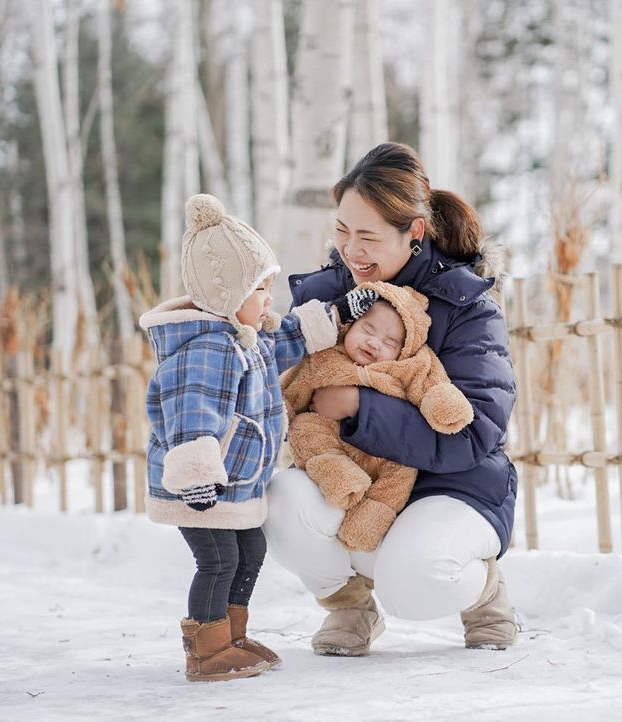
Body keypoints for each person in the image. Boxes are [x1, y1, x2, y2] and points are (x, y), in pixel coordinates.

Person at [264, 142, 517, 655]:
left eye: (368, 236)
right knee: (279, 502)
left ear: (414, 233)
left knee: (413, 586)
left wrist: (360, 406)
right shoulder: (325, 295)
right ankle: (351, 605)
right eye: (341, 231)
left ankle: (483, 590)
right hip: (355, 473)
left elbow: (475, 433)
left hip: (451, 485)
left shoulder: (467, 305)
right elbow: (279, 384)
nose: (351, 250)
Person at [139, 193, 377, 682]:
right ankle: (206, 651)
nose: (269, 299)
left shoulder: (245, 339)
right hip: (202, 487)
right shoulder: (206, 348)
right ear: (228, 294)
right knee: (218, 560)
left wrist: (340, 313)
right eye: (260, 288)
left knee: (250, 552)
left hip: (235, 486)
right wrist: (197, 474)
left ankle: (232, 635)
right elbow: (190, 415)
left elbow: (288, 338)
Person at [280, 281, 474, 561]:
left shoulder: (409, 365)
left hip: (388, 449)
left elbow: (429, 383)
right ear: (349, 326)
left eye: (390, 342)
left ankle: (371, 517)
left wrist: (443, 403)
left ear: (405, 349)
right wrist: (279, 412)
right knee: (305, 428)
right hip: (332, 439)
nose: (374, 343)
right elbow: (291, 391)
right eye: (367, 330)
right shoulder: (324, 358)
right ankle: (338, 476)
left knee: (401, 473)